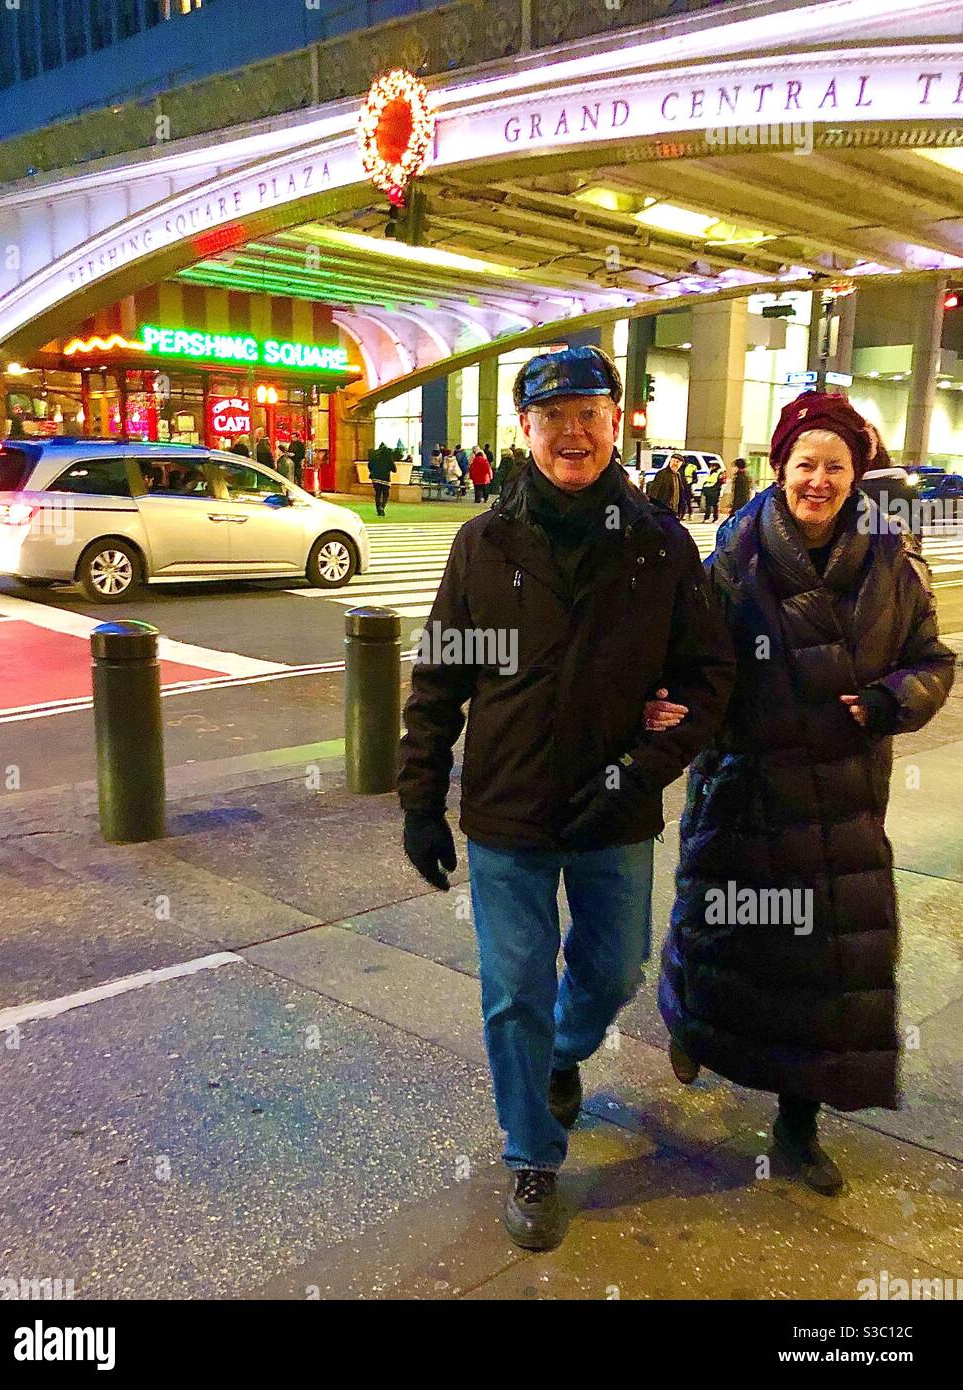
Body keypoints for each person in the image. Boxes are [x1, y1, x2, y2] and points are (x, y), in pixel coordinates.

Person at [398, 345, 735, 1251]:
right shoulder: (484, 543)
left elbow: (708, 680)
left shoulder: (660, 543)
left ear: (616, 421)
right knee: (513, 988)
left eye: (589, 413)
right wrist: (419, 797)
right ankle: (532, 1157)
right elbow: (439, 678)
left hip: (614, 810)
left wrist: (645, 763)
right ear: (525, 432)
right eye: (553, 418)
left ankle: (561, 1055)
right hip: (507, 811)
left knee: (611, 970)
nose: (572, 432)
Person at [659, 391, 955, 1196]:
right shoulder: (731, 563)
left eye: (834, 467)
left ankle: (798, 1123)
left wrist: (897, 698)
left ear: (854, 474)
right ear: (779, 469)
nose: (817, 481)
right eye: (804, 465)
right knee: (717, 931)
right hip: (744, 786)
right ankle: (687, 1020)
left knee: (828, 968)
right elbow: (694, 664)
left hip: (844, 799)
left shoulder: (891, 567)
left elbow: (932, 658)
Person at [368, 442, 396, 516]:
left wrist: (373, 471)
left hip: (375, 478)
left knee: (378, 493)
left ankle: (378, 508)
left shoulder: (375, 456)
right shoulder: (389, 458)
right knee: (385, 494)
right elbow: (394, 469)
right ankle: (382, 507)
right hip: (385, 479)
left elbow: (369, 465)